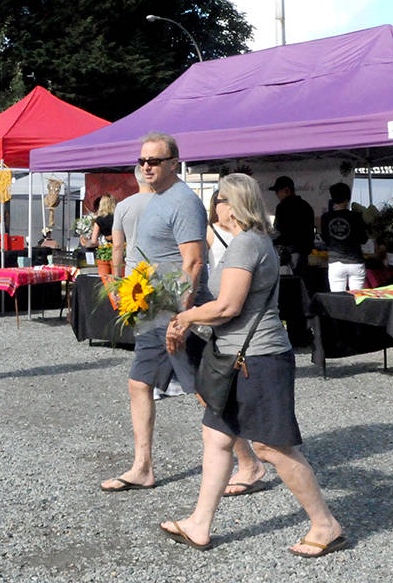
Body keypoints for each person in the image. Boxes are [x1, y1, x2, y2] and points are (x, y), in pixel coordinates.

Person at [162, 173, 346, 557]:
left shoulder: (246, 243)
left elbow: (228, 306)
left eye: (221, 200)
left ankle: (325, 524)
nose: (216, 207)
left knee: (271, 447)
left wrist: (187, 317)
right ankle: (199, 523)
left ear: (236, 204)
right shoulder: (252, 241)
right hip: (235, 355)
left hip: (257, 359)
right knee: (216, 438)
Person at [99, 132, 213, 492]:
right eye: (142, 161)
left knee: (202, 389)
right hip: (153, 311)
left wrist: (183, 316)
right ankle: (142, 466)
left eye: (154, 161)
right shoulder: (157, 199)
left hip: (176, 312)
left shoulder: (183, 201)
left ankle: (249, 462)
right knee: (139, 384)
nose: (146, 166)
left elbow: (193, 263)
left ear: (173, 163)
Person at [322, 182, 367, 292]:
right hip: (355, 261)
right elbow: (363, 238)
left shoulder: (325, 217)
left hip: (335, 262)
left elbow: (325, 239)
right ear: (348, 198)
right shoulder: (356, 216)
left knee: (338, 299)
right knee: (358, 298)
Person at [269, 175, 315, 273]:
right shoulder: (306, 206)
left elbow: (278, 230)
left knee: (287, 282)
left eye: (277, 191)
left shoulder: (282, 207)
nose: (276, 195)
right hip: (303, 252)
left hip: (288, 253)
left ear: (287, 190)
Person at [111, 166, 152, 277]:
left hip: (133, 271)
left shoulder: (122, 206)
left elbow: (117, 246)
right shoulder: (167, 203)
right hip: (160, 271)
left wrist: (116, 277)